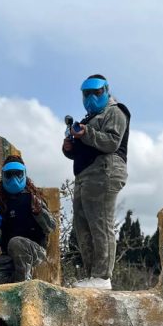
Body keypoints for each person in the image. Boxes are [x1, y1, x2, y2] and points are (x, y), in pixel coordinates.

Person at [62, 74, 130, 289]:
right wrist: (69, 147)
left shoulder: (115, 111)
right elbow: (82, 151)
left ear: (106, 91)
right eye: (87, 93)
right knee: (83, 226)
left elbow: (111, 142)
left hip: (104, 171)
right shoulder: (88, 118)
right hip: (85, 175)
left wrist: (87, 133)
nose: (91, 97)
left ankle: (102, 276)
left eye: (96, 92)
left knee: (100, 222)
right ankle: (93, 276)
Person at [0, 158, 56, 284]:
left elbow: (51, 227)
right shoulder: (0, 203)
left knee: (16, 242)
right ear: (4, 176)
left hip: (35, 249)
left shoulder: (33, 198)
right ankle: (16, 281)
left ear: (24, 174)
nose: (14, 179)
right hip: (9, 254)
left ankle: (23, 283)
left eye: (17, 174)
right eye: (9, 174)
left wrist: (39, 213)